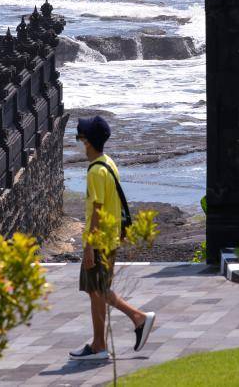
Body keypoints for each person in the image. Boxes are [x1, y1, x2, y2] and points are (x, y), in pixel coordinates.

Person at [69, 116, 156, 361]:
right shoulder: (108, 163)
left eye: (81, 139)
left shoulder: (96, 171)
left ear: (88, 142)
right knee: (97, 290)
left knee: (98, 289)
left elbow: (96, 211)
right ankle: (99, 344)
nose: (80, 143)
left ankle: (138, 318)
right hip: (109, 237)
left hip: (98, 241)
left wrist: (88, 247)